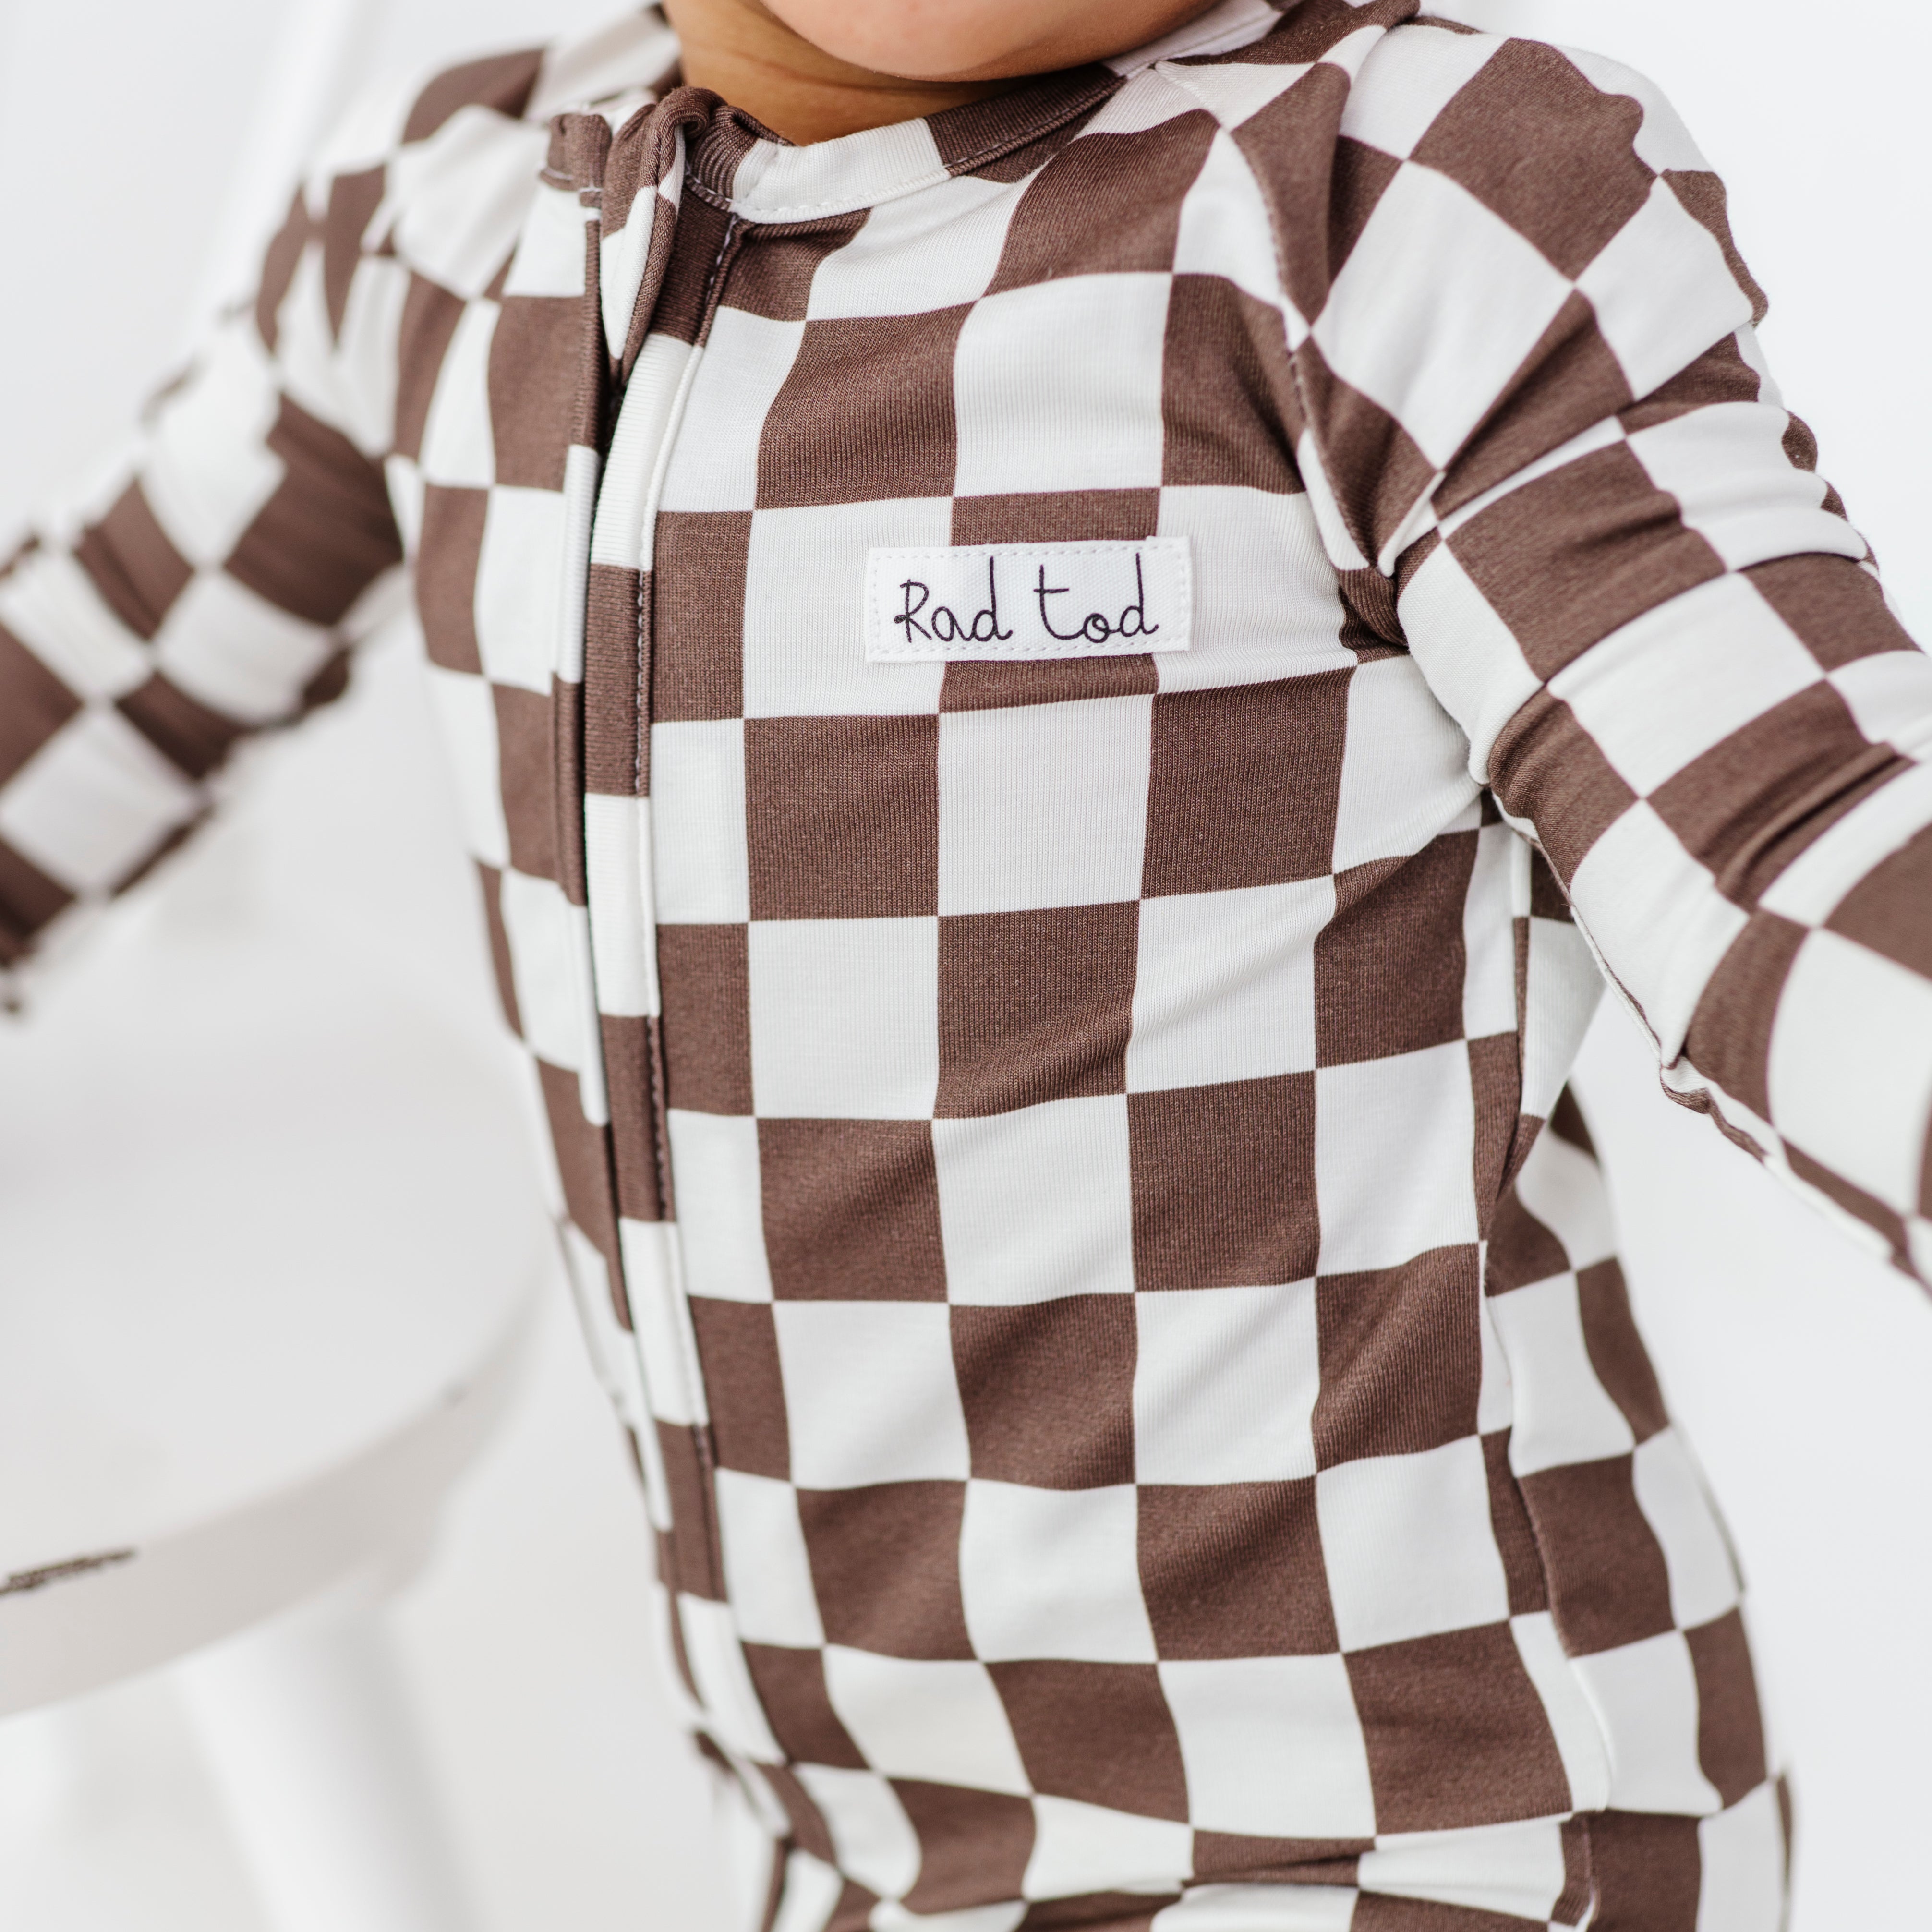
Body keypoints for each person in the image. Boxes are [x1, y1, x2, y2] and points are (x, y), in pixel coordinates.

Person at [2, 0, 1922, 1923]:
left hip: (1417, 1822)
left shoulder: (1378, 202)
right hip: (843, 1848)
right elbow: (73, 685)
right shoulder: (437, 229)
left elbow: (1784, 842)